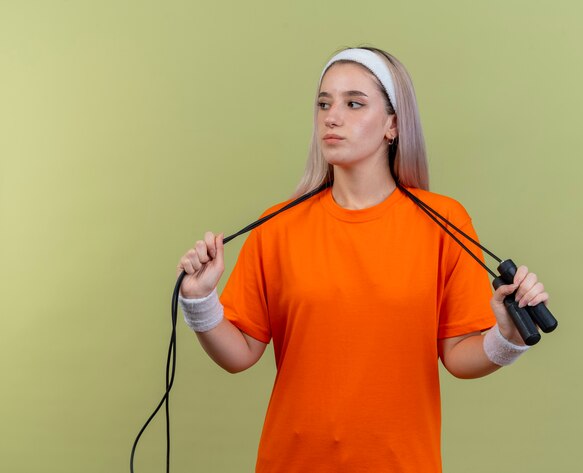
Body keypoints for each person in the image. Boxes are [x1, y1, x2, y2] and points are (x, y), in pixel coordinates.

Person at [176, 47, 549, 473]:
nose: (332, 117)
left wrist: (509, 336)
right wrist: (200, 301)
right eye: (323, 103)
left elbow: (460, 359)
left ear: (393, 124)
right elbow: (239, 354)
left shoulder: (444, 221)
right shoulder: (278, 226)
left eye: (354, 103)